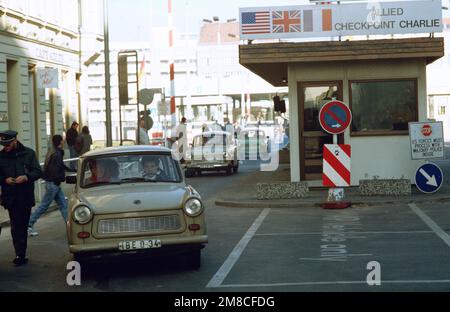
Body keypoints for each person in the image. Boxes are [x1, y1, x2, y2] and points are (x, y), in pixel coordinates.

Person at [0, 130, 42, 266]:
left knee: (22, 226)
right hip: (10, 197)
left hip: (25, 196)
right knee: (15, 226)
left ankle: (21, 252)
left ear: (15, 141)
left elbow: (38, 172)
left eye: (7, 144)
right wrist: (4, 179)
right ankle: (19, 254)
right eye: (3, 145)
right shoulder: (1, 156)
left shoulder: (29, 154)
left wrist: (26, 177)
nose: (5, 147)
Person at [28, 135, 76, 237]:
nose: (64, 142)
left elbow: (60, 166)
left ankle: (71, 227)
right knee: (44, 206)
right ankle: (28, 225)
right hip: (53, 184)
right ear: (60, 142)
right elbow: (54, 170)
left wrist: (72, 170)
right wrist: (59, 179)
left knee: (63, 205)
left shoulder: (53, 152)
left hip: (54, 184)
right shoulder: (57, 154)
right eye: (63, 141)